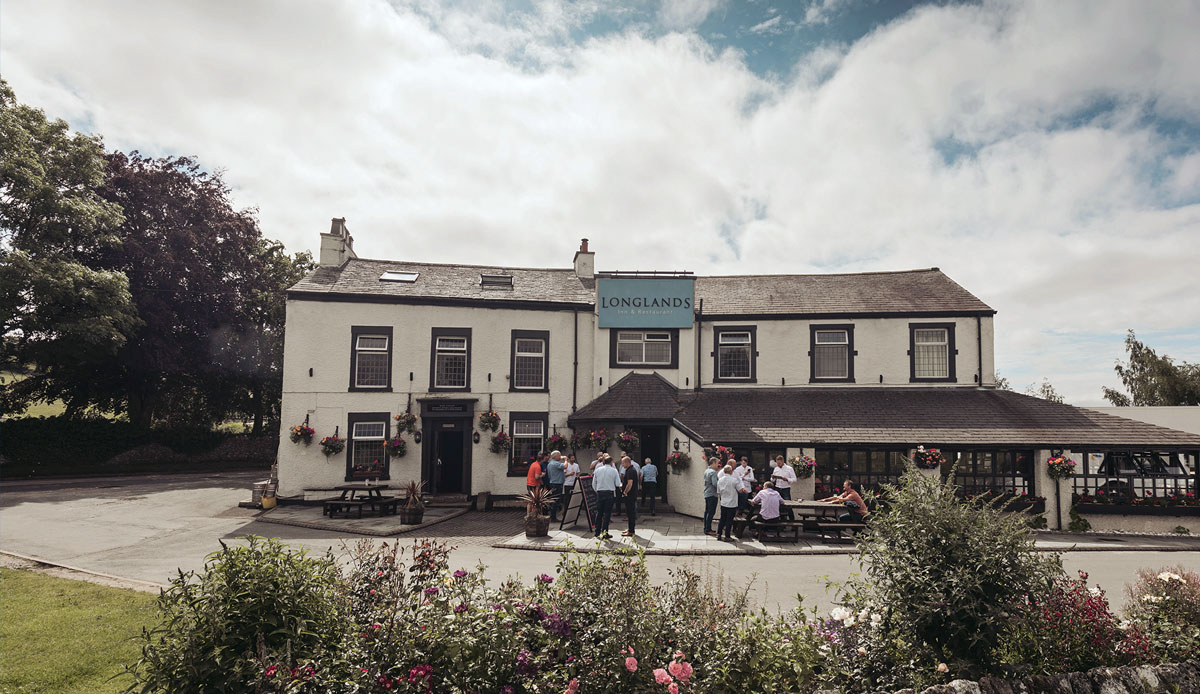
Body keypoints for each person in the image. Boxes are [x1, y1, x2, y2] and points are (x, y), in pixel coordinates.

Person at [591, 455, 620, 539]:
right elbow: (618, 483)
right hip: (609, 493)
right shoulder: (614, 471)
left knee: (599, 513)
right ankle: (605, 533)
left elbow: (593, 483)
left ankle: (597, 532)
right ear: (611, 462)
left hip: (600, 493)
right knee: (607, 513)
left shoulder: (597, 470)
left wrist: (597, 490)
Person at [716, 464, 739, 541]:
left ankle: (719, 534)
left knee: (722, 518)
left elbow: (718, 493)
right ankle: (727, 536)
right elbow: (739, 490)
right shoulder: (734, 480)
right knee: (729, 520)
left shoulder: (720, 480)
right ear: (731, 472)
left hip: (723, 502)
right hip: (732, 503)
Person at [620, 456, 639, 536]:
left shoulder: (631, 471)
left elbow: (629, 484)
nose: (622, 464)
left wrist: (625, 492)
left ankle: (631, 531)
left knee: (631, 513)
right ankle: (630, 529)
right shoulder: (630, 470)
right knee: (629, 513)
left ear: (627, 462)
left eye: (623, 463)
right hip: (631, 495)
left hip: (630, 495)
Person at [702, 455, 720, 536]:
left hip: (707, 493)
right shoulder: (713, 472)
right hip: (712, 494)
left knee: (707, 512)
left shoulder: (706, 471)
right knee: (711, 512)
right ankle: (708, 529)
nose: (718, 465)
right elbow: (715, 484)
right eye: (717, 463)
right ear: (713, 463)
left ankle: (706, 528)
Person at [546, 450, 565, 522]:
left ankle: (553, 516)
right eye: (559, 455)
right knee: (556, 500)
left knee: (554, 499)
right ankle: (553, 517)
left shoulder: (550, 463)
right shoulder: (555, 464)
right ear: (555, 456)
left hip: (553, 482)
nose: (560, 456)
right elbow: (565, 466)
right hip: (557, 483)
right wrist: (565, 460)